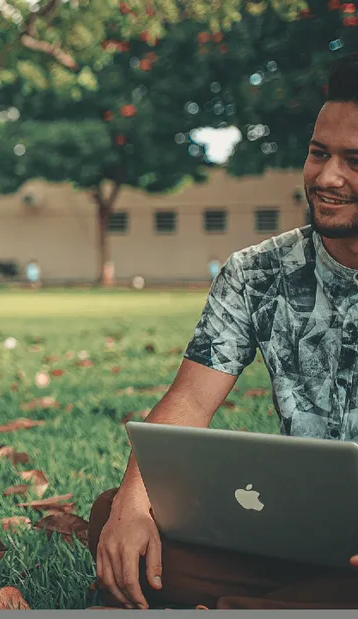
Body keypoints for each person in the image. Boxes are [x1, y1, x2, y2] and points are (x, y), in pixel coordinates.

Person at [90, 52, 358, 611]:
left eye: (354, 161)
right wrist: (134, 507)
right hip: (298, 533)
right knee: (116, 519)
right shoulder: (258, 272)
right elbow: (189, 401)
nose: (328, 178)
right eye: (318, 153)